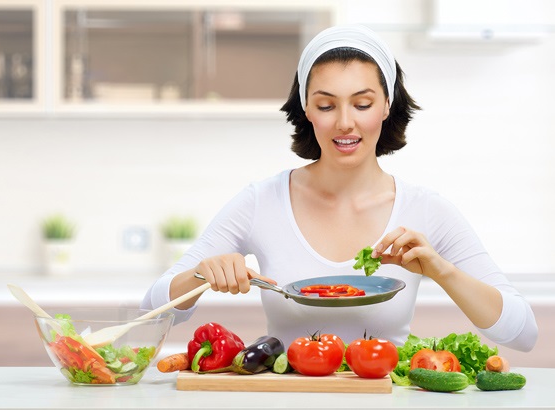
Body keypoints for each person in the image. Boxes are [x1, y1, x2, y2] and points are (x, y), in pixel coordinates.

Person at [141, 24, 537, 352]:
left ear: (386, 104)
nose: (345, 122)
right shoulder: (261, 201)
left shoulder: (427, 210)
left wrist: (443, 271)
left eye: (362, 104)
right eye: (327, 105)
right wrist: (200, 275)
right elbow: (153, 312)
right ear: (307, 109)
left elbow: (523, 334)